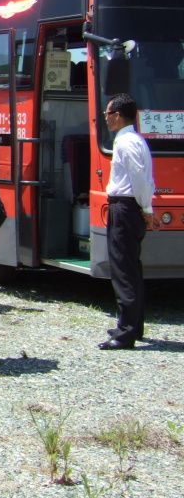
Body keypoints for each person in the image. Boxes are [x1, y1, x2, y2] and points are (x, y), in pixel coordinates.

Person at [100, 93, 158, 350]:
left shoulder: (126, 143)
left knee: (124, 270)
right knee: (131, 268)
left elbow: (140, 179)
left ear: (118, 115)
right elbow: (147, 177)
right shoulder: (135, 140)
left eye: (107, 113)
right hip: (129, 208)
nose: (105, 117)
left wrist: (147, 207)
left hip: (125, 208)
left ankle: (126, 334)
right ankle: (133, 324)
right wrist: (146, 207)